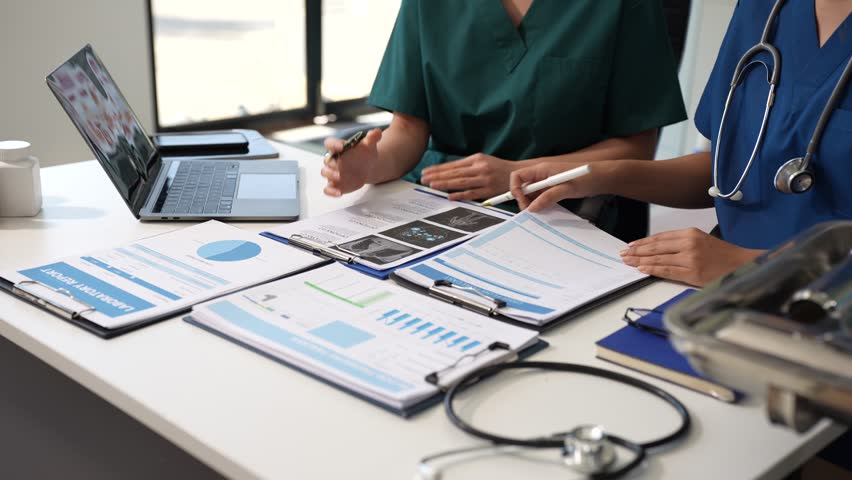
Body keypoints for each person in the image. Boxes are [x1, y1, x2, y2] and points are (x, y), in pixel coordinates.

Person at [509, 0, 852, 288]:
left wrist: (749, 264)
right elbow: (728, 170)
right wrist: (599, 174)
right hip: (719, 294)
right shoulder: (765, 9)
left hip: (824, 304)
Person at [321, 0, 686, 236]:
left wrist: (518, 173)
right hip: (432, 202)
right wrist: (370, 166)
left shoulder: (624, 7)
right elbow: (408, 129)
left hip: (560, 209)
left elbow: (635, 149)